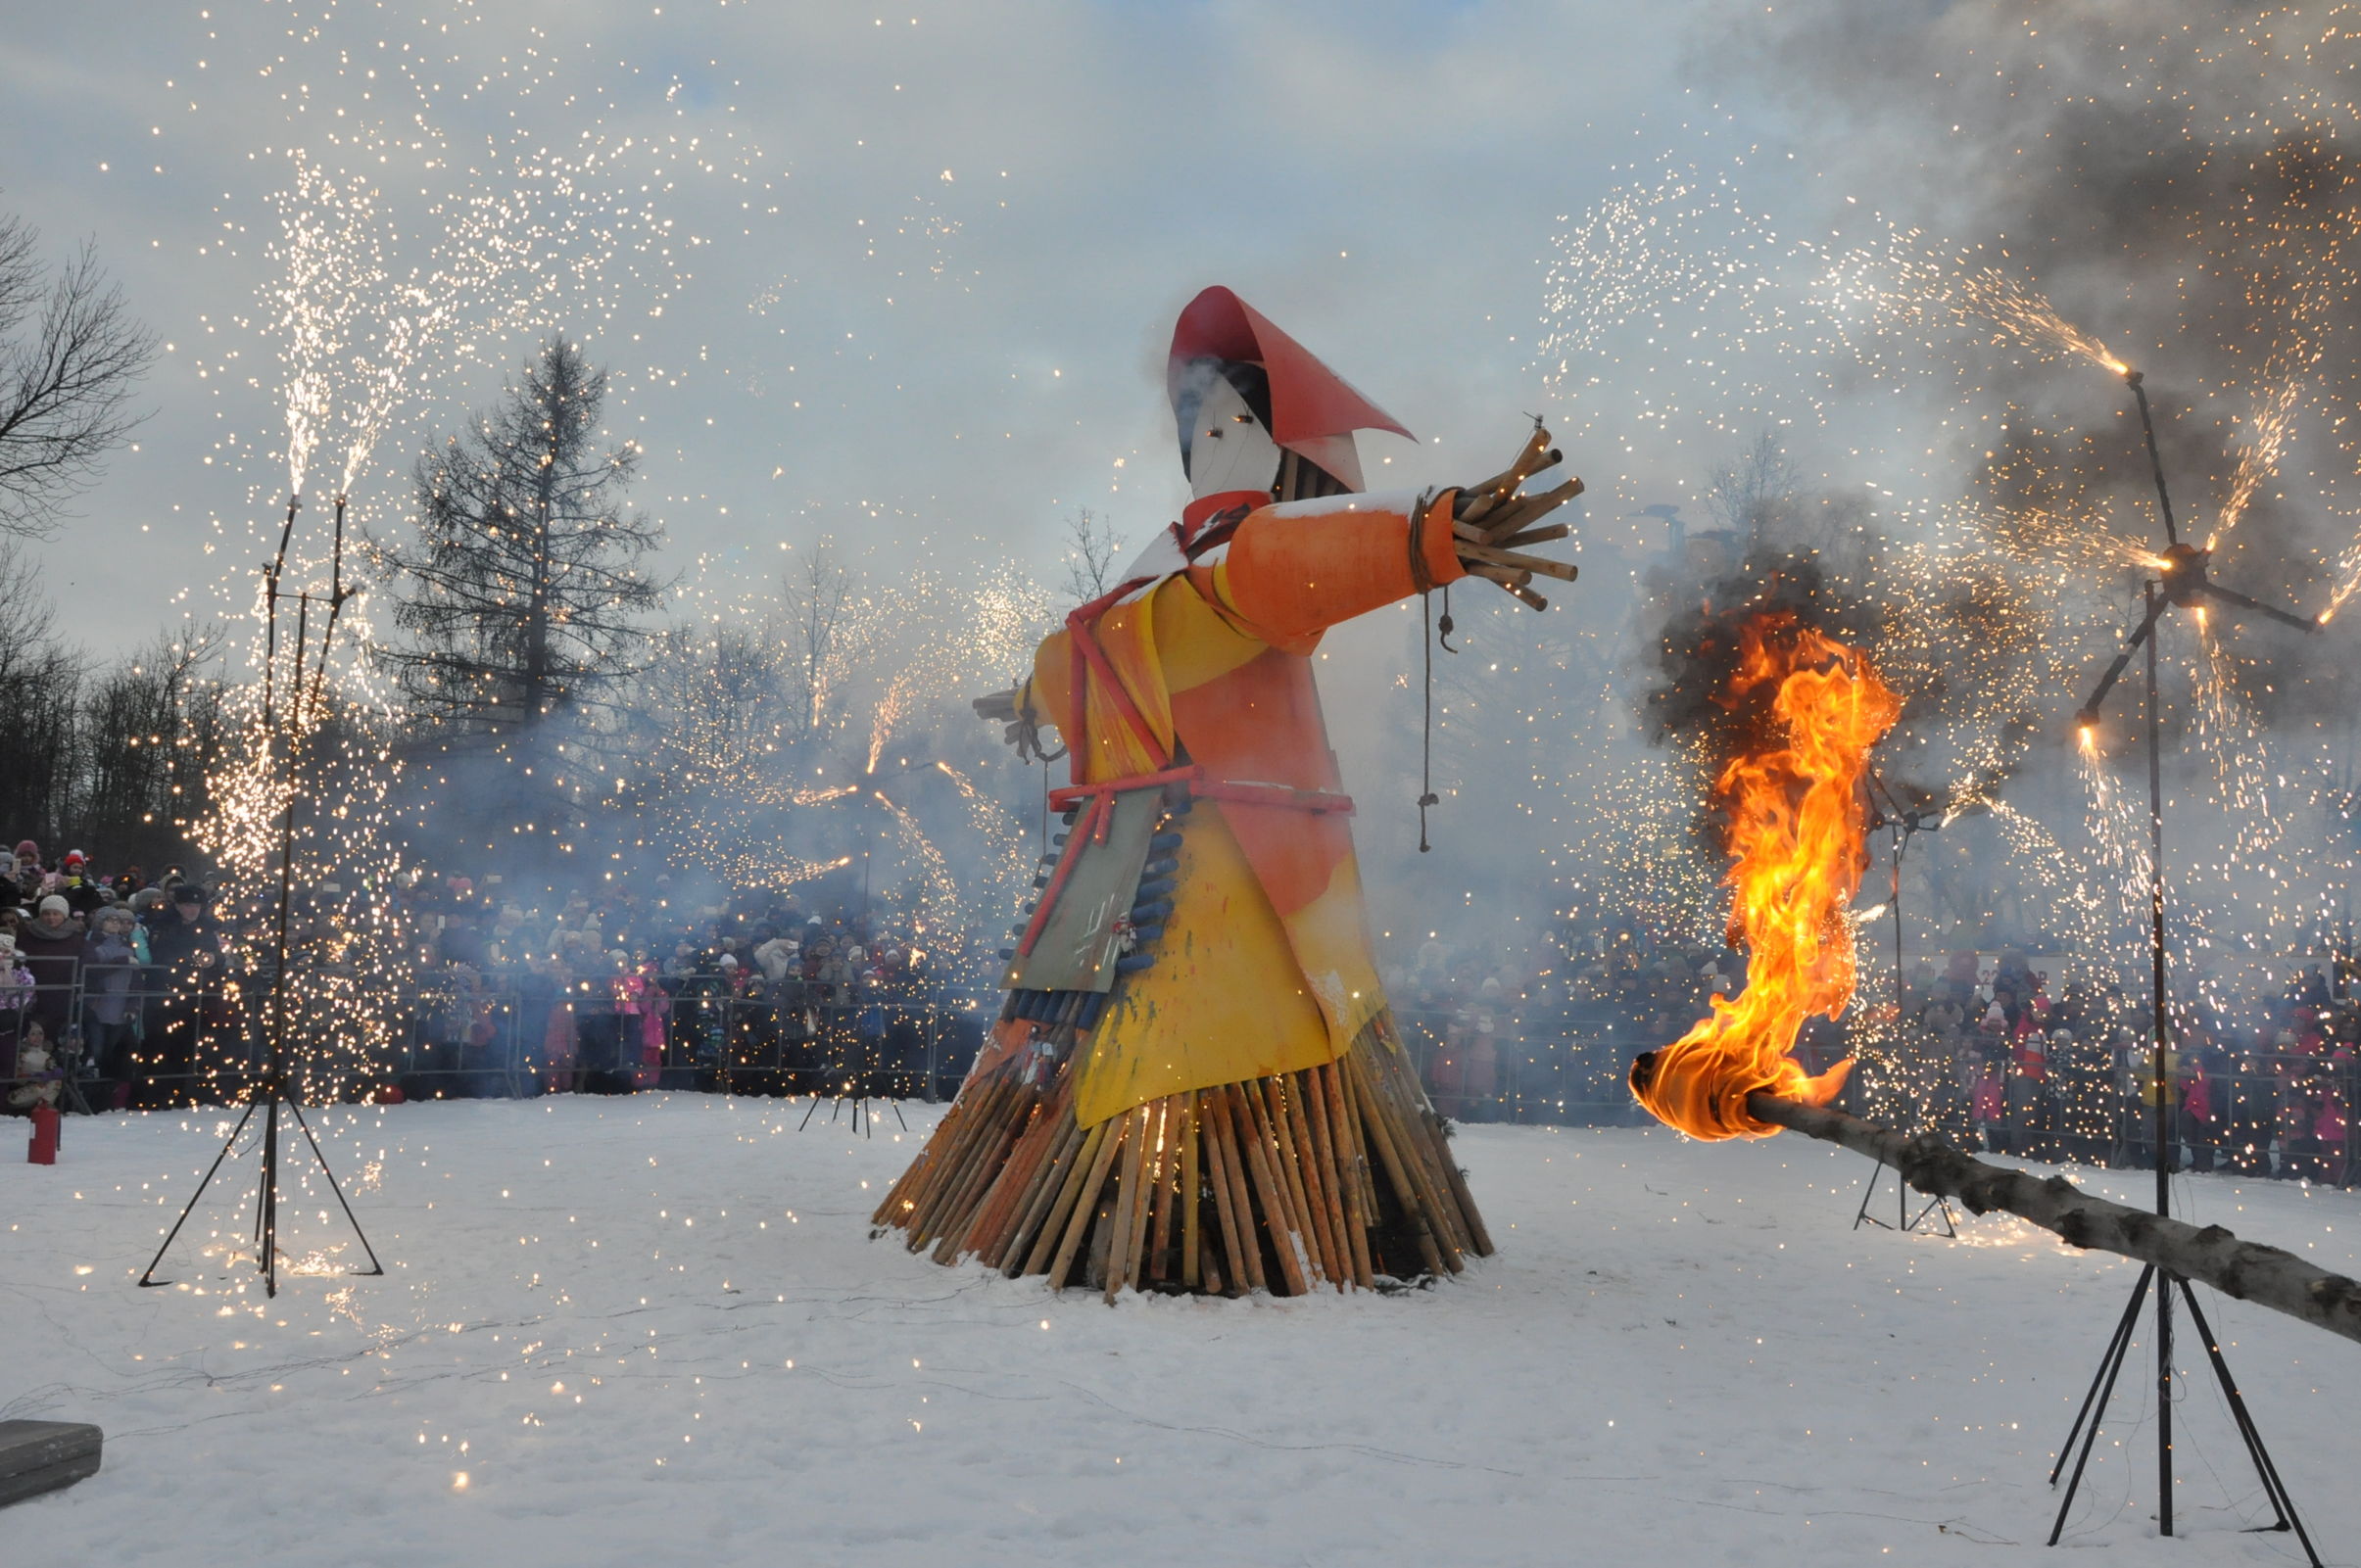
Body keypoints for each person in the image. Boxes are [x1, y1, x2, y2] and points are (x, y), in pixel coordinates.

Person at [17, 894, 86, 1044]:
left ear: (64, 915)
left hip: (63, 993)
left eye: (56, 913)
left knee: (58, 1035)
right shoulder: (28, 935)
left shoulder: (76, 938)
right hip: (34, 993)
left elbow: (83, 961)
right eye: (46, 913)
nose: (51, 918)